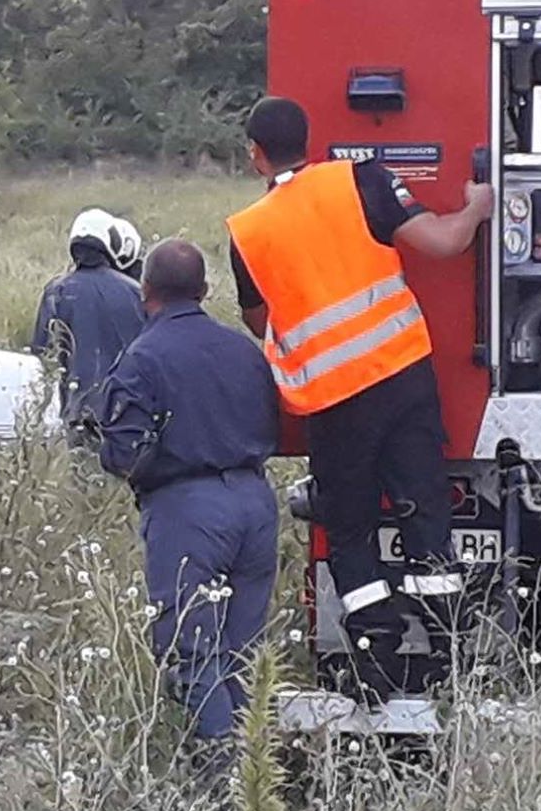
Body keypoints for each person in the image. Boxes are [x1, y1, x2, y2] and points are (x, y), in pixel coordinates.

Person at [226, 97, 494, 701]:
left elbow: (259, 318)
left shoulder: (248, 233)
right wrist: (476, 208)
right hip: (402, 377)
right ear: (310, 139)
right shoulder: (362, 178)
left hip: (334, 400)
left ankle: (376, 656)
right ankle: (448, 656)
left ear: (255, 156)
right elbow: (446, 243)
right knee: (425, 513)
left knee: (347, 530)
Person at [95, 239, 280, 771]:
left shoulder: (143, 357)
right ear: (203, 290)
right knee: (244, 654)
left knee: (192, 650)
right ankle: (257, 775)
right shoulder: (244, 350)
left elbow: (124, 452)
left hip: (188, 509)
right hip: (254, 501)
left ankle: (224, 783)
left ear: (145, 291)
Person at [31, 207, 147, 433]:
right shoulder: (136, 292)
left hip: (74, 411)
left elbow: (42, 355)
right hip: (127, 411)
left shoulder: (56, 291)